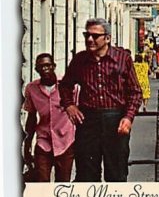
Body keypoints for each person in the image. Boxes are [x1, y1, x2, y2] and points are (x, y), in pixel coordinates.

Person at [59, 18, 143, 182]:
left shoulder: (122, 59)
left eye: (95, 36)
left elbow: (135, 92)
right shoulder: (80, 60)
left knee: (116, 173)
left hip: (115, 121)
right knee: (87, 174)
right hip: (88, 121)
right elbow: (65, 85)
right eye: (87, 35)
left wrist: (128, 117)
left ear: (108, 38)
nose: (90, 39)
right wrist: (69, 105)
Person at [23, 53, 76, 182]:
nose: (45, 69)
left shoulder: (68, 86)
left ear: (53, 66)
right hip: (44, 142)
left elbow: (79, 114)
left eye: (47, 65)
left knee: (62, 185)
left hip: (65, 141)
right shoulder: (31, 89)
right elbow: (31, 117)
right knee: (42, 183)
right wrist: (27, 143)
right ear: (36, 70)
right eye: (41, 67)